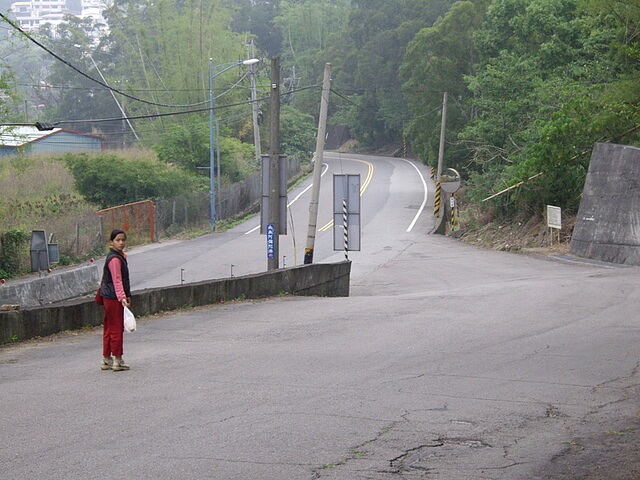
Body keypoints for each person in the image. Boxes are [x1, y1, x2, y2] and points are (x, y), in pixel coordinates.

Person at [99, 229, 132, 371]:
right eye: (118, 240)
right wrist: (122, 297)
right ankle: (117, 360)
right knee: (116, 329)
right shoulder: (115, 259)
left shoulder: (117, 256)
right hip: (113, 298)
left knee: (109, 327)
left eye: (123, 240)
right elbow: (117, 280)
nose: (121, 243)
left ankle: (107, 359)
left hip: (108, 296)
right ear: (112, 242)